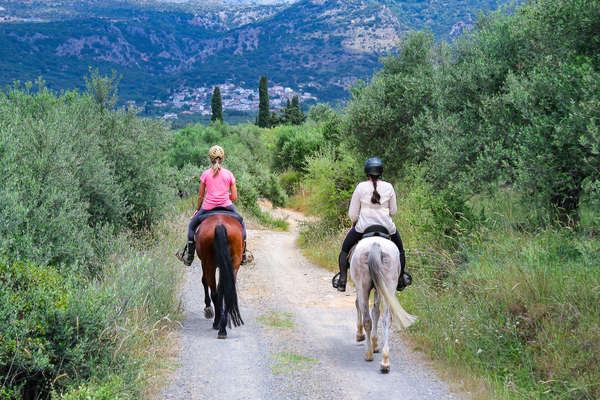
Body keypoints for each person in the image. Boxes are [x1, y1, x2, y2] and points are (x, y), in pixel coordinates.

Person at [332, 157, 411, 292]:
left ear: (367, 172)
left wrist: (355, 222)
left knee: (345, 249)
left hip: (363, 228)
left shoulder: (360, 187)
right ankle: (400, 279)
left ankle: (342, 280)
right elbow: (393, 211)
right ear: (381, 172)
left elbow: (353, 214)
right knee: (400, 251)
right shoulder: (389, 187)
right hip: (387, 228)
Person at [176, 145, 250, 266]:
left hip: (207, 207)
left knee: (191, 226)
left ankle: (189, 256)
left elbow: (200, 196)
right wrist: (225, 197)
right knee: (241, 223)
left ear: (210, 159)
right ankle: (243, 254)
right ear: (223, 158)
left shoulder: (205, 174)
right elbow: (235, 197)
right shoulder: (229, 174)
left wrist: (197, 209)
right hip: (227, 206)